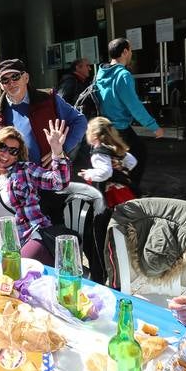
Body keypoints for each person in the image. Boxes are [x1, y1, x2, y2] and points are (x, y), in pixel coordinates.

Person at [0, 58, 86, 225]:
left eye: (15, 77)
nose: (11, 83)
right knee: (25, 238)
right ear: (0, 85)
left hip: (49, 181)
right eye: (5, 79)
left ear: (26, 77)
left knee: (55, 232)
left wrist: (60, 150)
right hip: (19, 189)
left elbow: (80, 121)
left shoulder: (48, 99)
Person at [0, 122, 71, 265]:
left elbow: (59, 182)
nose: (6, 154)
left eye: (13, 151)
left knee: (18, 269)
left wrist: (57, 152)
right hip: (8, 244)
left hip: (34, 236)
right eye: (2, 146)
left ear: (18, 156)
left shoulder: (25, 170)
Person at [95, 38, 164, 187]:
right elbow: (134, 106)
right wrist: (154, 127)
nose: (131, 53)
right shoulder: (123, 75)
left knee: (116, 159)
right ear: (125, 52)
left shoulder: (101, 73)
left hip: (105, 126)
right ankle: (130, 191)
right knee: (138, 154)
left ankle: (115, 191)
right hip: (119, 128)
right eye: (131, 50)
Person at [79, 117, 138, 284]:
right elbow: (132, 162)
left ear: (94, 135)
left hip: (110, 197)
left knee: (102, 231)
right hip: (125, 193)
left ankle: (106, 271)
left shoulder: (98, 152)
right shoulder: (115, 148)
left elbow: (105, 173)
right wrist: (121, 170)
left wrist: (89, 174)